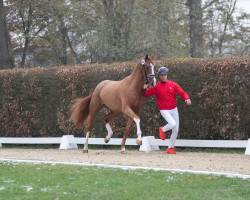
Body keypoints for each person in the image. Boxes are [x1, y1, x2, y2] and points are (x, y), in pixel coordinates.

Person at [143, 66, 191, 154]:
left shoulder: (173, 84)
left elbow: (182, 92)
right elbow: (146, 94)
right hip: (164, 110)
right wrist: (144, 87)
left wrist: (186, 98)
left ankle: (170, 148)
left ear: (167, 75)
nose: (163, 77)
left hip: (174, 109)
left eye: (165, 75)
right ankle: (163, 129)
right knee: (172, 123)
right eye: (161, 75)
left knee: (176, 129)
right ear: (159, 76)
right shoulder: (157, 87)